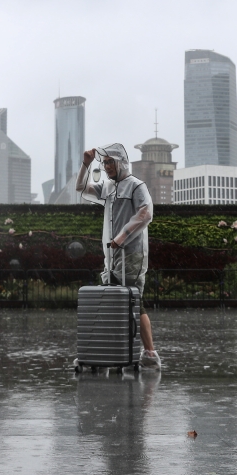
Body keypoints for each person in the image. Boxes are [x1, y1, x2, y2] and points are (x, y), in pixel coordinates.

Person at [76, 143, 161, 369]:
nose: (107, 167)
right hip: (112, 256)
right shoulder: (109, 188)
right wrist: (86, 164)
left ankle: (149, 352)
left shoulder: (136, 186)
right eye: (104, 163)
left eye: (110, 162)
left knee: (133, 301)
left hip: (131, 254)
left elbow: (145, 213)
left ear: (122, 163)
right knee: (113, 301)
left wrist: (121, 238)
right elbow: (81, 189)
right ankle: (110, 350)